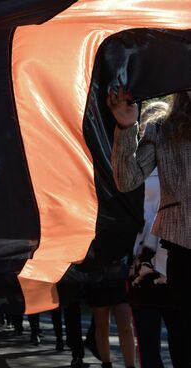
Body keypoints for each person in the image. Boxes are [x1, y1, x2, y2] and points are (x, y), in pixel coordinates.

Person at [110, 87, 191, 367]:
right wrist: (126, 126)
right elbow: (127, 180)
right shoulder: (161, 130)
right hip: (180, 247)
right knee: (182, 345)